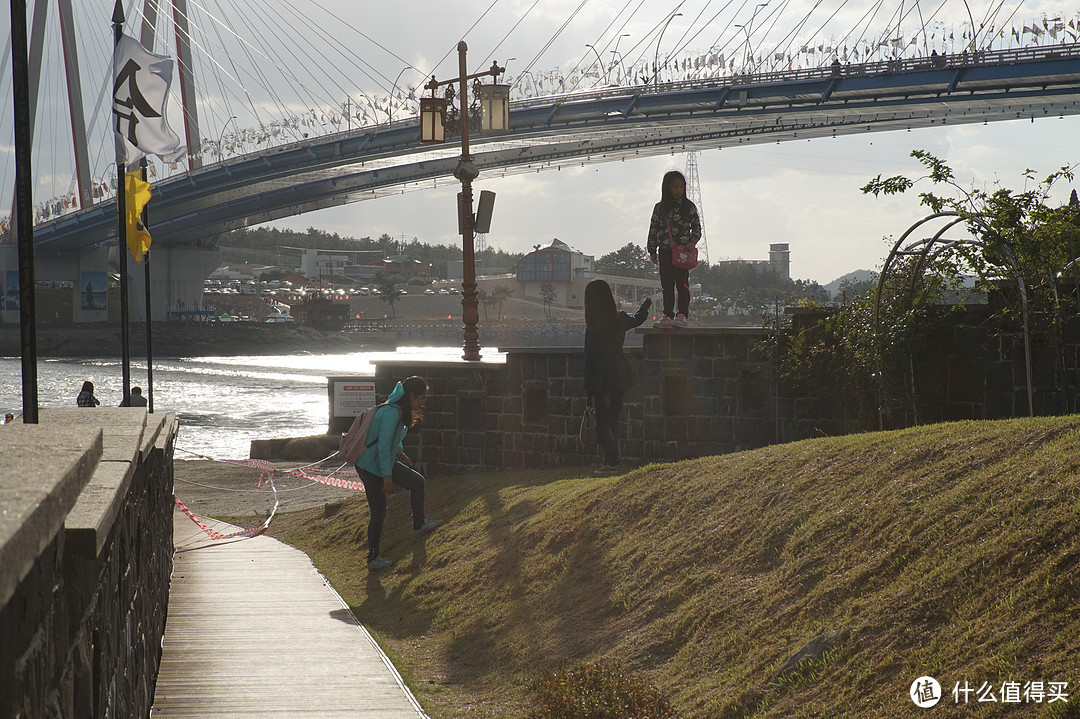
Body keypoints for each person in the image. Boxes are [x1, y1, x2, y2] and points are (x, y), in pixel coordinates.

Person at [355, 376, 442, 570]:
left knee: (417, 481)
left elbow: (392, 439)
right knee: (379, 512)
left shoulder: (398, 411)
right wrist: (387, 476)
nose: (422, 404)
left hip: (381, 461)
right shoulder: (392, 412)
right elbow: (384, 446)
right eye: (420, 398)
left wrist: (400, 452)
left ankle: (419, 526)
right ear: (411, 396)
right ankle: (373, 558)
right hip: (370, 465)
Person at [583, 279, 651, 475]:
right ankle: (611, 460)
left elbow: (590, 358)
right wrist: (646, 304)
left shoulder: (593, 327)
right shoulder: (619, 319)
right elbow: (638, 319)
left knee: (603, 421)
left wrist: (588, 385)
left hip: (601, 377)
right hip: (620, 373)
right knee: (613, 419)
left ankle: (612, 461)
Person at [646, 169, 701, 328]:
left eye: (681, 187)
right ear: (667, 187)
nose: (678, 191)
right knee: (667, 286)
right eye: (675, 187)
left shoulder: (689, 206)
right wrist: (652, 250)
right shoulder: (660, 208)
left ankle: (682, 315)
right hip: (665, 251)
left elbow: (697, 228)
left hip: (683, 252)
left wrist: (692, 242)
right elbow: (653, 229)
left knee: (682, 285)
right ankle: (667, 315)